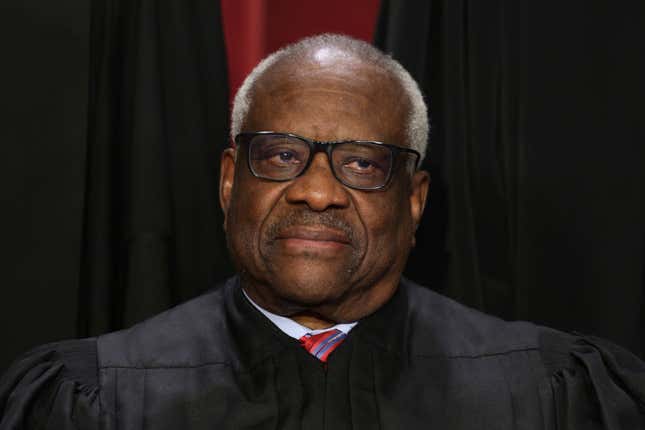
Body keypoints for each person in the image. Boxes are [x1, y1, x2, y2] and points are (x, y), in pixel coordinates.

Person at [1, 34, 644, 430]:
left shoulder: (546, 397)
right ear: (230, 183)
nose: (317, 190)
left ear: (415, 201)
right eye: (281, 155)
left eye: (363, 163)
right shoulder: (95, 400)